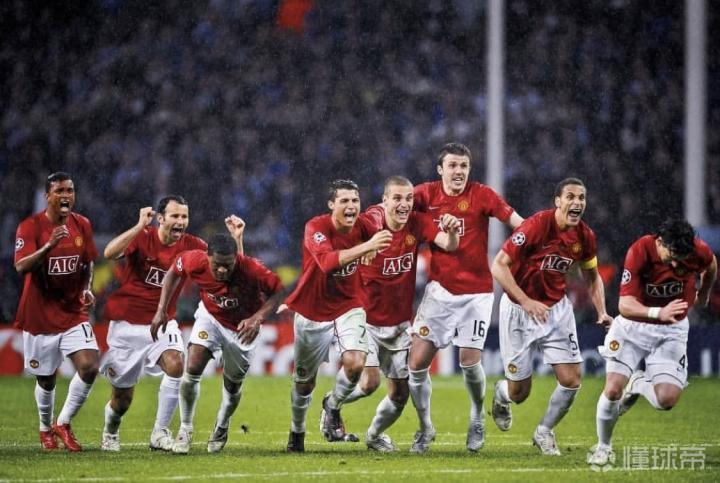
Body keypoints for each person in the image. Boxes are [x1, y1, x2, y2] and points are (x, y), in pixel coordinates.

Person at [99, 195, 246, 451]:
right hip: (128, 325)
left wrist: (237, 239)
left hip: (163, 323)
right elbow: (110, 253)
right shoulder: (143, 237)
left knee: (176, 364)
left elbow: (233, 273)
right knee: (122, 399)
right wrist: (138, 226)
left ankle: (160, 432)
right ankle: (110, 431)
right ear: (161, 218)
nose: (181, 221)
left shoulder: (192, 246)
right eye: (175, 216)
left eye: (184, 216)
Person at [408, 142, 524, 453]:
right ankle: (425, 427)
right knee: (416, 364)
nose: (458, 171)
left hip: (477, 294)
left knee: (469, 362)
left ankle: (476, 416)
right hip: (439, 292)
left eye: (463, 166)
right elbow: (394, 205)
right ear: (440, 169)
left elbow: (519, 224)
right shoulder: (425, 194)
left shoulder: (482, 194)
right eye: (453, 165)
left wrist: (535, 242)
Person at [334, 176, 460, 452]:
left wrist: (452, 232)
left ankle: (374, 435)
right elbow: (342, 241)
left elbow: (449, 245)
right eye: (397, 198)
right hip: (365, 320)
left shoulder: (417, 222)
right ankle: (331, 406)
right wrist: (364, 247)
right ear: (385, 201)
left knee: (401, 394)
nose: (404, 204)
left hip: (400, 324)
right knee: (370, 383)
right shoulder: (371, 222)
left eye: (408, 199)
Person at [490, 177, 613, 455]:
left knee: (572, 380)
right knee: (520, 393)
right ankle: (502, 393)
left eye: (581, 198)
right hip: (519, 310)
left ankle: (544, 430)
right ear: (558, 201)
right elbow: (498, 266)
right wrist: (526, 301)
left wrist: (602, 311)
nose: (577, 202)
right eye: (570, 196)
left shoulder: (585, 236)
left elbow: (592, 276)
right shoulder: (536, 226)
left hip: (556, 310)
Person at [587, 219, 717, 466]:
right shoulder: (640, 251)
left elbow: (710, 265)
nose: (677, 264)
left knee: (666, 401)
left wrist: (704, 294)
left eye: (682, 258)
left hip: (671, 330)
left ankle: (638, 383)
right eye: (672, 256)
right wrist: (658, 312)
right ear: (660, 242)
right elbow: (625, 306)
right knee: (613, 390)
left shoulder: (697, 250)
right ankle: (604, 447)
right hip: (633, 326)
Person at [284, 179, 393, 453]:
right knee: (304, 382)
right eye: (344, 201)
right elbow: (327, 263)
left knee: (356, 363)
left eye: (355, 200)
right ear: (331, 204)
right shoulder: (316, 228)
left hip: (349, 304)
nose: (351, 206)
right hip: (313, 309)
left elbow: (381, 213)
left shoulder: (365, 224)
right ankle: (297, 432)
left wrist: (375, 241)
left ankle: (332, 406)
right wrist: (367, 247)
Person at [150, 233, 284, 454]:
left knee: (232, 388)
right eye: (217, 265)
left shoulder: (252, 269)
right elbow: (173, 271)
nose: (222, 270)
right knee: (192, 367)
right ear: (208, 257)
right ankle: (185, 429)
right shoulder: (194, 260)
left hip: (242, 329)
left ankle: (221, 425)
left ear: (236, 259)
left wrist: (257, 318)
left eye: (228, 265)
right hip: (210, 318)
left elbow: (279, 291)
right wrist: (161, 309)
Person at [14, 172, 99, 452]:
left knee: (89, 366)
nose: (66, 195)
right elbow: (21, 266)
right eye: (60, 191)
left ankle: (63, 423)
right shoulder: (30, 226)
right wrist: (49, 245)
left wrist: (87, 288)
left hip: (73, 311)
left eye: (70, 190)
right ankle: (45, 428)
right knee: (46, 378)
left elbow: (88, 262)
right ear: (47, 196)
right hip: (39, 315)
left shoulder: (82, 224)